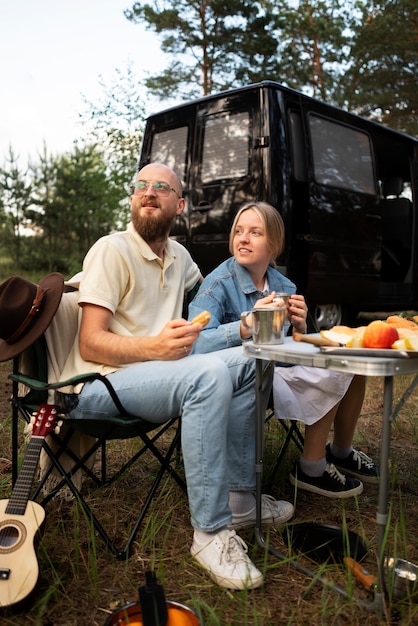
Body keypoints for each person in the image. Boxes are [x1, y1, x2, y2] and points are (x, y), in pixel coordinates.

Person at [59, 164, 294, 591]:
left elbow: (212, 300)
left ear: (179, 205)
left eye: (161, 188)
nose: (149, 192)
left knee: (253, 357)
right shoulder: (112, 250)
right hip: (100, 386)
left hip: (156, 377)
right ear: (132, 200)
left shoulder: (180, 258)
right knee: (204, 374)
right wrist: (157, 348)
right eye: (141, 187)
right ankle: (209, 533)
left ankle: (240, 497)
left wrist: (261, 316)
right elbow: (90, 344)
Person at [189, 201, 379, 498]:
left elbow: (299, 346)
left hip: (279, 373)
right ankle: (312, 468)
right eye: (238, 231)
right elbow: (194, 342)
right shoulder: (218, 284)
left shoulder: (284, 286)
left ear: (274, 243)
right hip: (241, 381)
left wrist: (303, 328)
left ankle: (339, 452)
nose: (243, 238)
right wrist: (244, 326)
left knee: (349, 361)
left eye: (255, 232)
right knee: (332, 372)